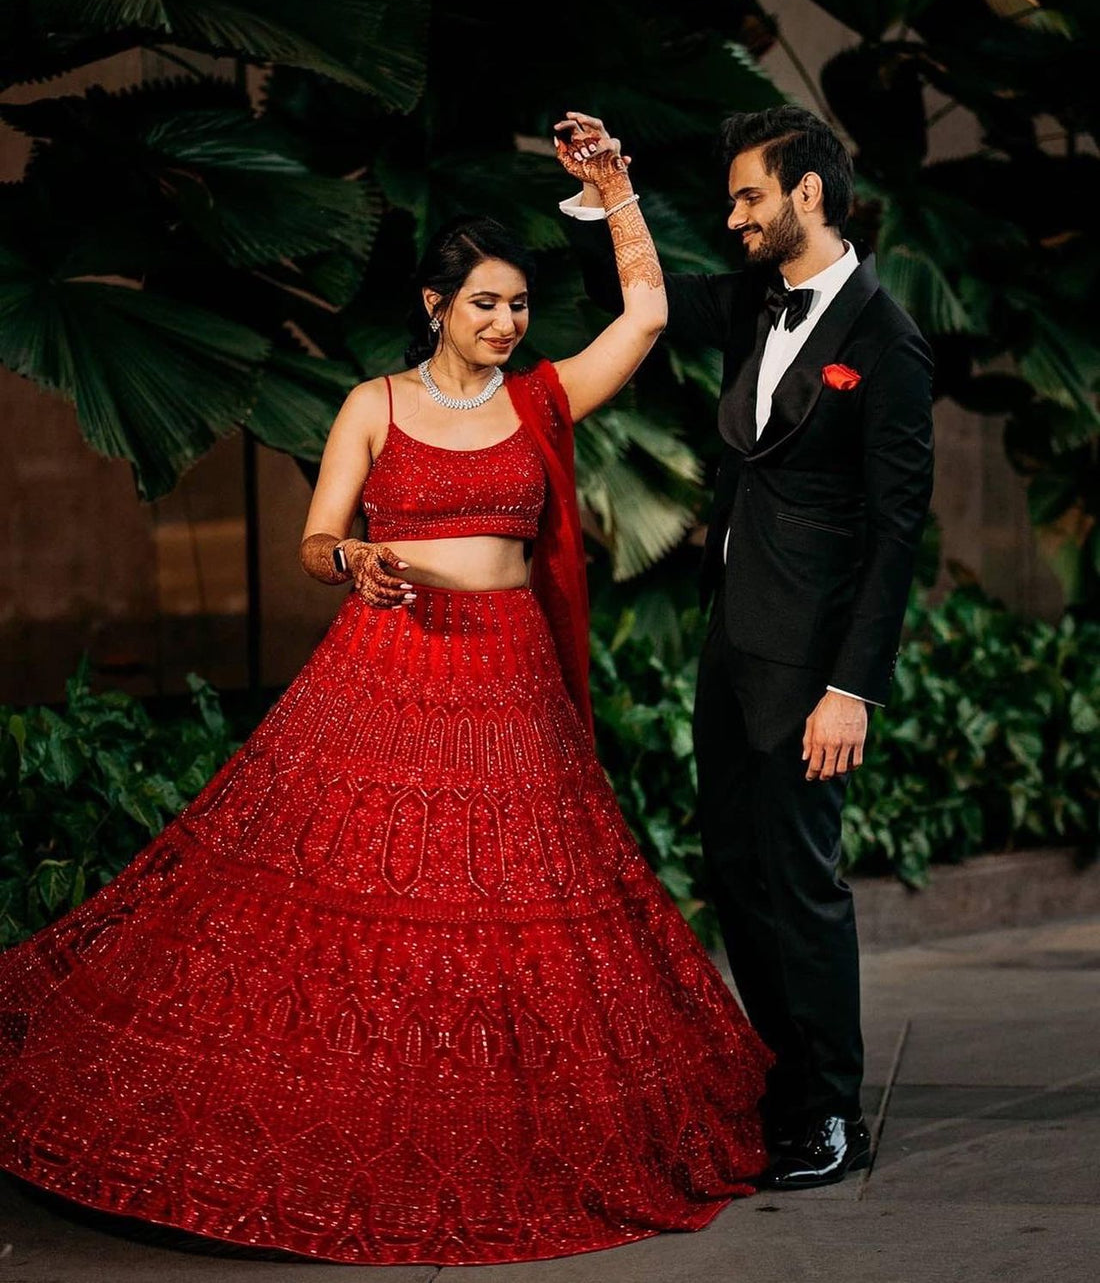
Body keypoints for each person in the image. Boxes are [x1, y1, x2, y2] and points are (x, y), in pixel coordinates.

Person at [0, 130, 776, 1266]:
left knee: (517, 920)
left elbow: (647, 319)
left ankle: (509, 1138)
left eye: (515, 305)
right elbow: (318, 537)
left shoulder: (543, 400)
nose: (506, 323)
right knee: (344, 918)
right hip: (390, 669)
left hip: (509, 680)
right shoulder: (371, 404)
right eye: (484, 304)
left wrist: (614, 196)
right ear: (435, 304)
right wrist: (349, 560)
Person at [558, 105, 934, 1189]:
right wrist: (605, 189)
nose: (731, 218)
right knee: (736, 868)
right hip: (733, 638)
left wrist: (848, 687)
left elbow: (893, 530)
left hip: (809, 659)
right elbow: (637, 298)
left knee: (799, 879)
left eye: (748, 197)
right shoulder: (751, 304)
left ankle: (828, 1113)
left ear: (804, 195)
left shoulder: (885, 341)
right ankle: (779, 1085)